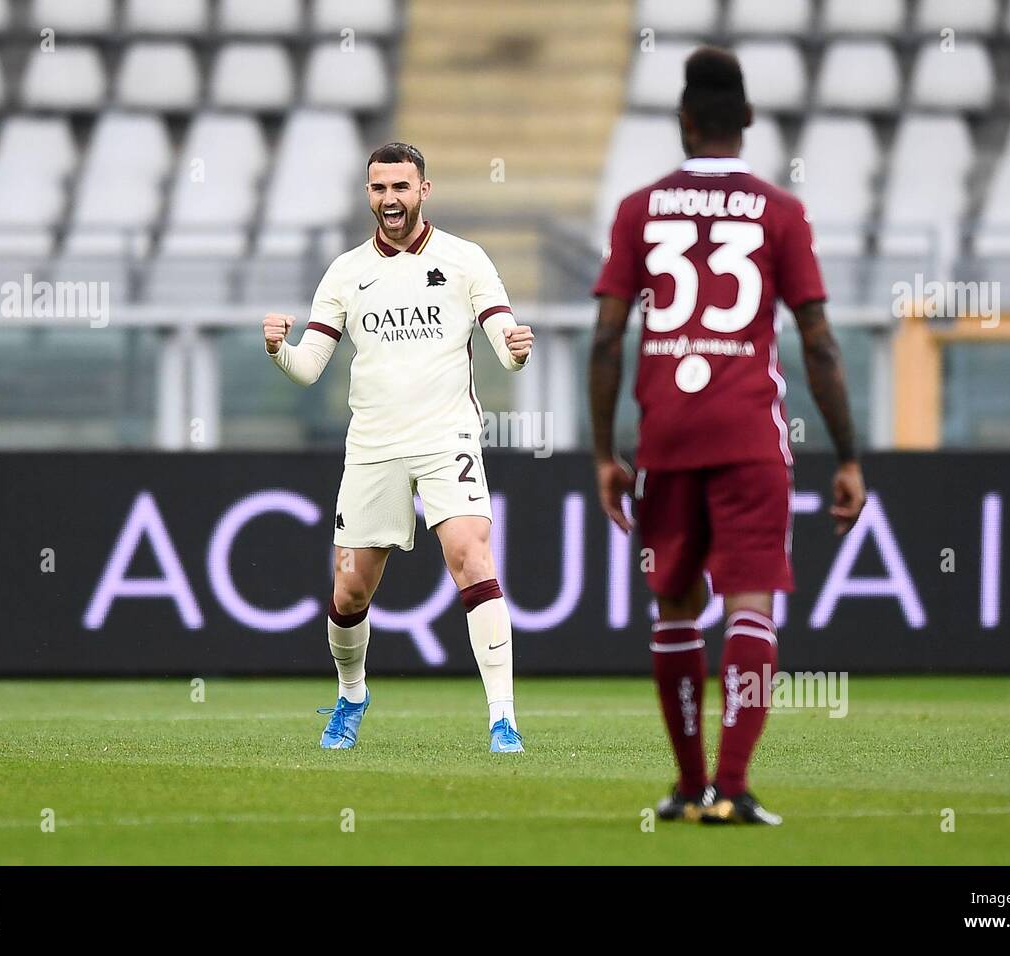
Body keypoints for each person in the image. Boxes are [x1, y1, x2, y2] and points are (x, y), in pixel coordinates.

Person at [588, 48, 866, 823]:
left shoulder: (639, 209)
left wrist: (605, 453)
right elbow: (818, 342)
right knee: (750, 605)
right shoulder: (781, 212)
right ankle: (733, 790)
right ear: (747, 122)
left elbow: (607, 339)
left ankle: (685, 788)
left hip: (666, 435)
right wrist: (847, 456)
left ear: (683, 123)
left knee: (675, 606)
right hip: (749, 434)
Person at [264, 143, 535, 753]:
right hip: (374, 443)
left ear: (423, 191)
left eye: (401, 188)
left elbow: (504, 344)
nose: (391, 199)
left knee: (472, 554)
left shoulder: (465, 261)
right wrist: (280, 350)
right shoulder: (345, 271)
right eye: (380, 189)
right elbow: (309, 367)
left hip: (447, 435)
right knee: (351, 588)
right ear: (369, 194)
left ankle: (503, 719)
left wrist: (516, 350)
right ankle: (352, 694)